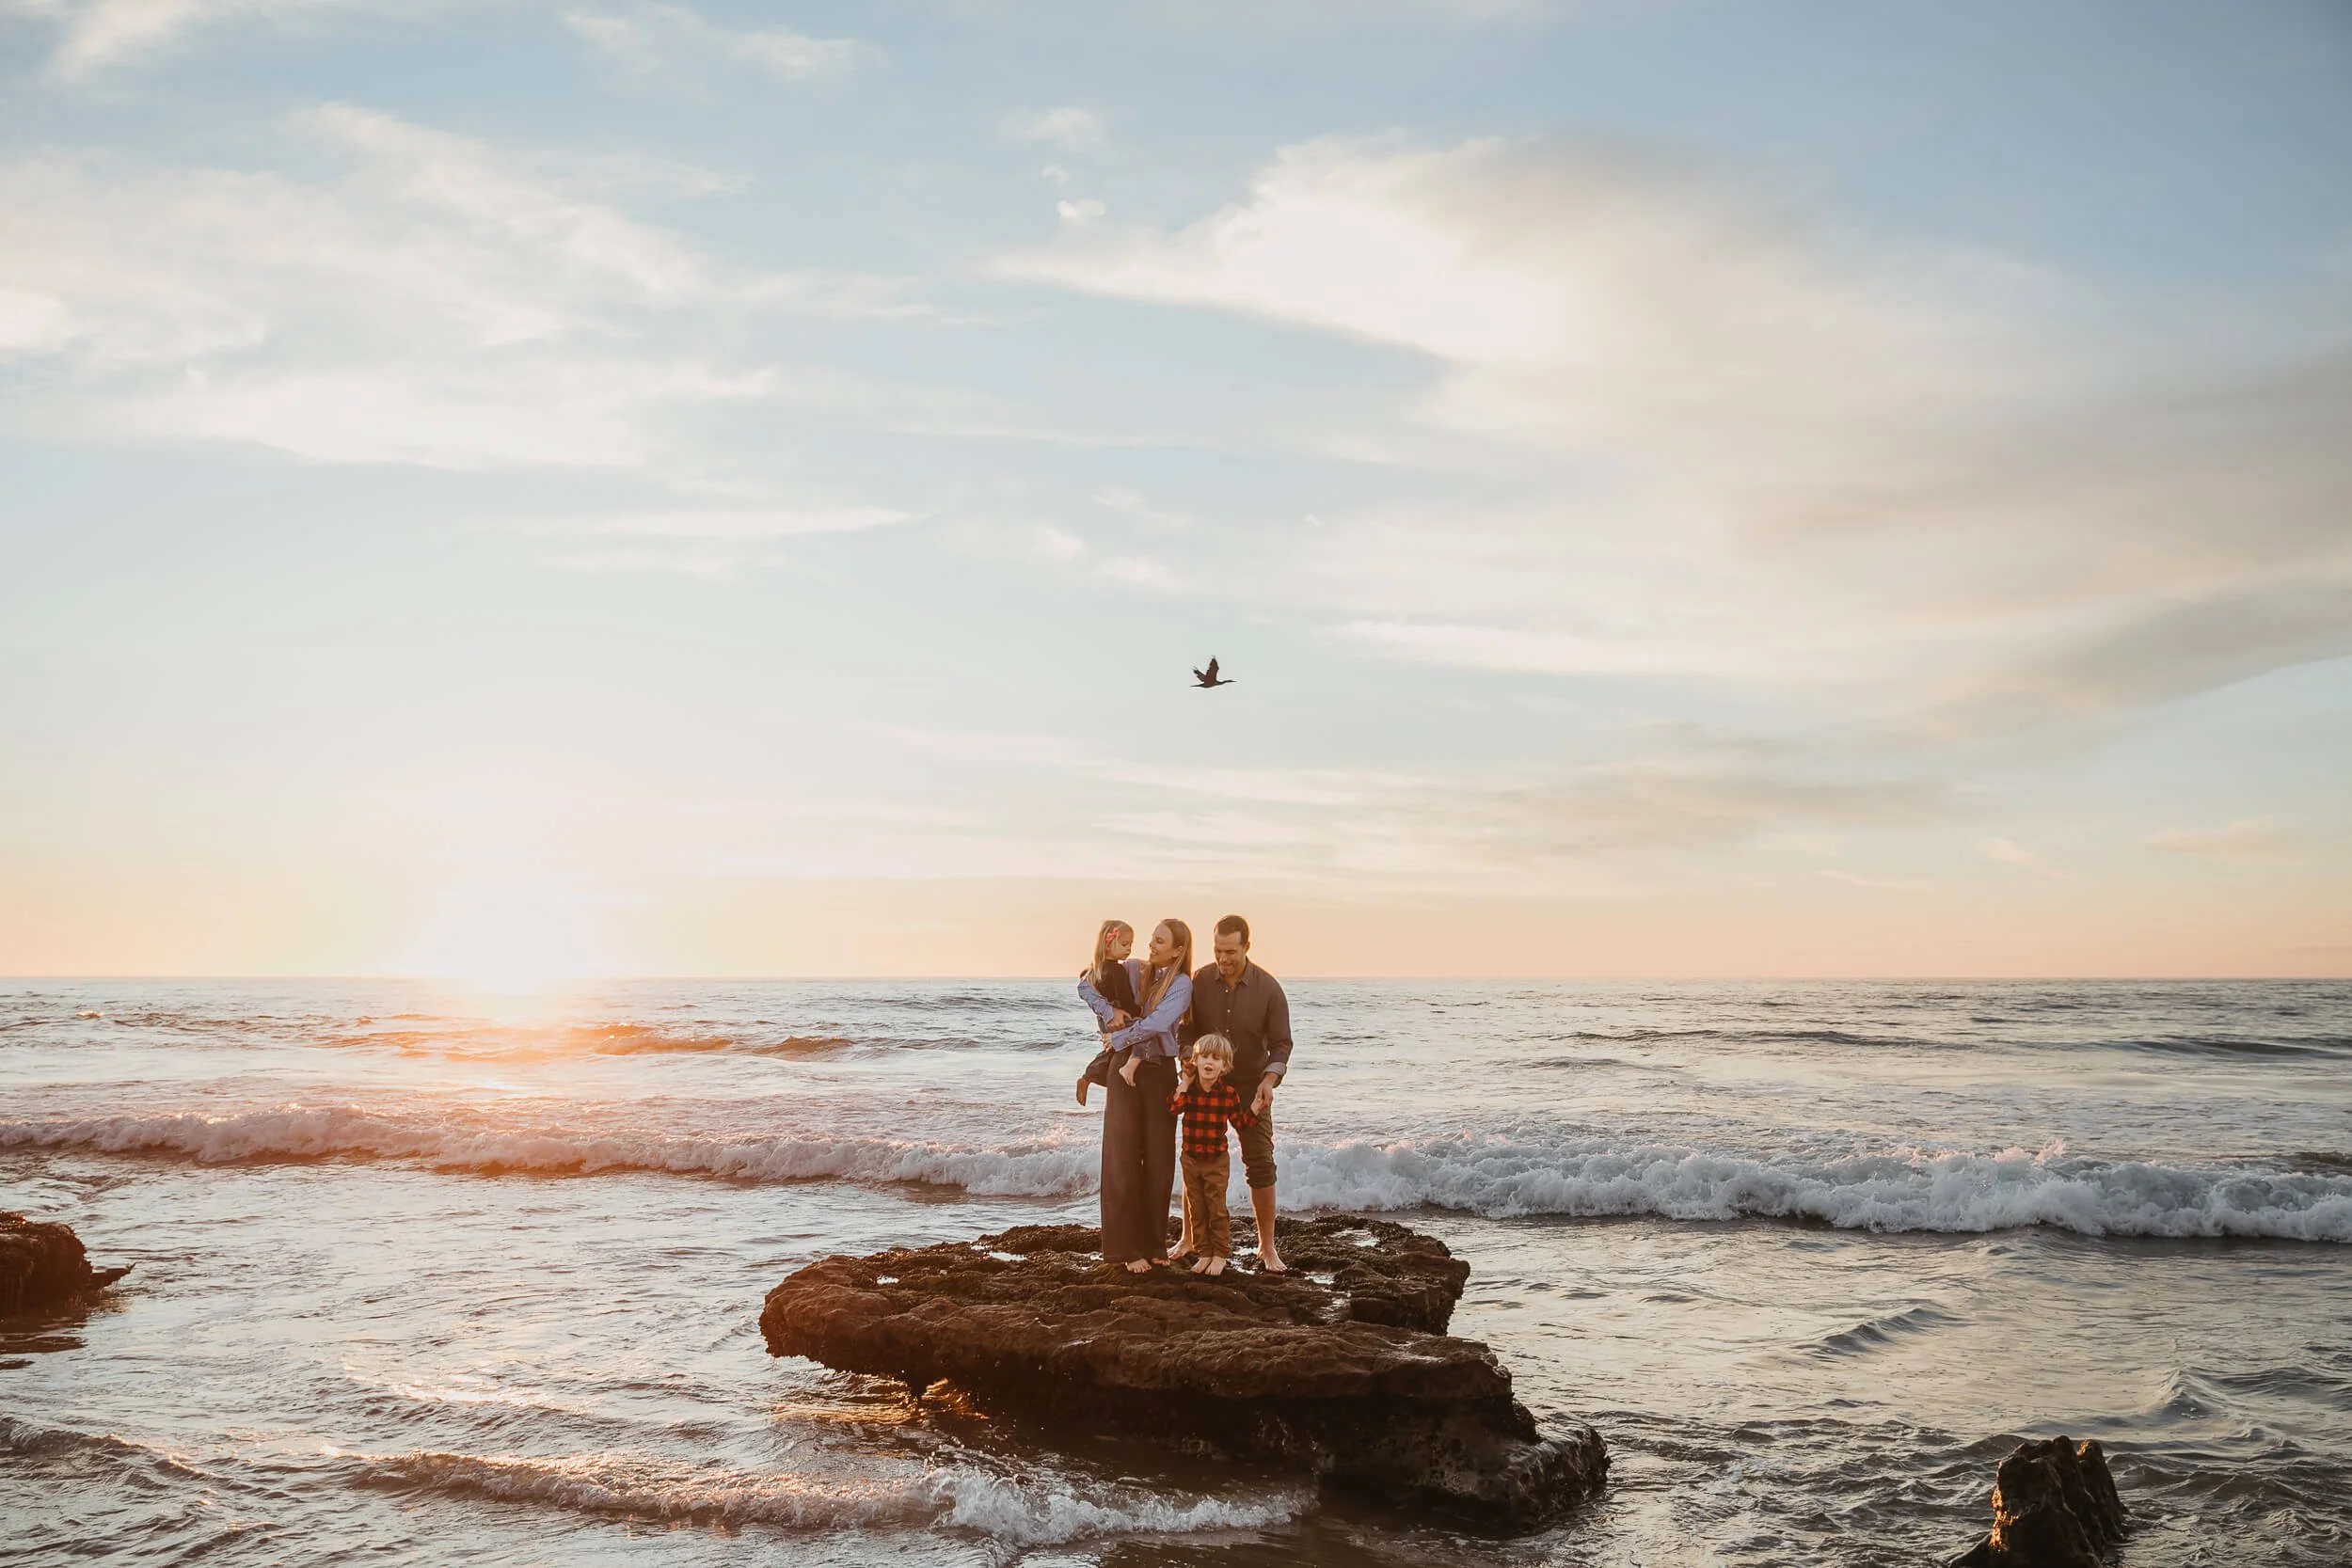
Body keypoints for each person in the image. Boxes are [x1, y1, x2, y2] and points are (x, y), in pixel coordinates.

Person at [1183, 914, 1293, 1272]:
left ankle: (1267, 1247)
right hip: (1204, 1085)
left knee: (1260, 1162)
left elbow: (1280, 1044)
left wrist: (1268, 1081)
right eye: (1217, 950)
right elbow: (1185, 1032)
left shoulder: (1269, 989)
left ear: (1247, 946)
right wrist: (1189, 1062)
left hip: (1248, 1087)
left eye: (1230, 951)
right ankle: (1189, 1239)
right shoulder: (1198, 982)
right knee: (1196, 1162)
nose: (1223, 958)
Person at [1096, 918, 1194, 1274]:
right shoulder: (1136, 969)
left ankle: (1155, 1243)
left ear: (1178, 950)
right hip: (1124, 1067)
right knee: (1121, 1156)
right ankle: (1124, 1248)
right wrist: (1107, 1012)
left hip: (1159, 1072)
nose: (1150, 946)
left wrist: (1119, 1037)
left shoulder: (1182, 985)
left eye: (1159, 941)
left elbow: (1157, 1023)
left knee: (1158, 1160)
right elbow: (1092, 975)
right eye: (1151, 939)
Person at [1168, 1034, 1256, 1275]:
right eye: (1204, 1056)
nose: (1209, 1061)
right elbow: (1174, 1108)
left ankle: (1219, 1254)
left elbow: (1240, 1122)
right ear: (1195, 1060)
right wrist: (1184, 1083)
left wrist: (1256, 1108)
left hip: (1216, 1161)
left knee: (1215, 1207)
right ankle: (1203, 1252)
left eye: (1216, 1058)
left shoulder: (1227, 1093)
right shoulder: (1190, 1091)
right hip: (1190, 1158)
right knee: (1196, 1207)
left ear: (1225, 1066)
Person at [1074, 919, 1138, 1106]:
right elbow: (1125, 998)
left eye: (1131, 944)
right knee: (1124, 1048)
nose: (1129, 949)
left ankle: (1090, 1077)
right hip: (1120, 1018)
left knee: (1111, 1048)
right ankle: (1090, 1076)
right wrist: (1139, 1012)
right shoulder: (1118, 971)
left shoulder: (1094, 970)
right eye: (1125, 944)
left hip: (1103, 1019)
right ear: (1108, 943)